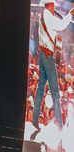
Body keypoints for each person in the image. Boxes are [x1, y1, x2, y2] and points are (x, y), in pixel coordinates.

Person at [32, 0, 74, 130]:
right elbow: (61, 25)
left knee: (40, 88)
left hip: (44, 55)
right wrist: (70, 14)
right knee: (55, 92)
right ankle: (59, 125)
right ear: (50, 4)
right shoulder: (47, 15)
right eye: (53, 4)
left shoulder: (45, 15)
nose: (55, 6)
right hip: (48, 56)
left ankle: (35, 119)